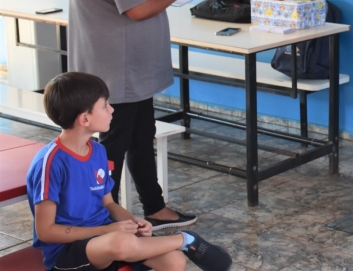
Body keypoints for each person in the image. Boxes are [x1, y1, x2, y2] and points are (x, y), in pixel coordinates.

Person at [68, 0, 199, 230]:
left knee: (141, 138)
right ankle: (97, 216)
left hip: (125, 71)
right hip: (117, 72)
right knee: (114, 147)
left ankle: (154, 208)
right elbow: (138, 9)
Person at [26, 72, 232, 271]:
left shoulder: (98, 151)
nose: (112, 110)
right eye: (105, 105)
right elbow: (46, 232)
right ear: (85, 120)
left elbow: (108, 203)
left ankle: (180, 243)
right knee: (121, 242)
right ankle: (186, 240)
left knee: (174, 260)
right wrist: (107, 230)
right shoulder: (51, 163)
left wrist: (133, 221)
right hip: (68, 252)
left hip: (108, 237)